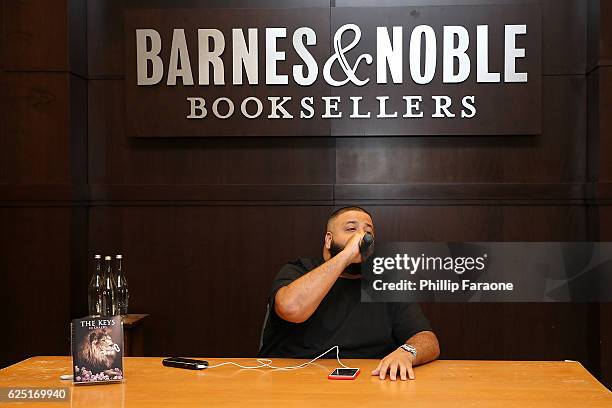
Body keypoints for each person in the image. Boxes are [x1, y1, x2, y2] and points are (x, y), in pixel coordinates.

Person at [259, 206, 440, 381]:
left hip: (367, 384)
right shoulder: (298, 270)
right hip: (291, 382)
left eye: (368, 231)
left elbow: (427, 340)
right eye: (351, 228)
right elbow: (291, 308)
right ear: (328, 240)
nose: (362, 236)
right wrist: (347, 255)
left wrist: (408, 352)